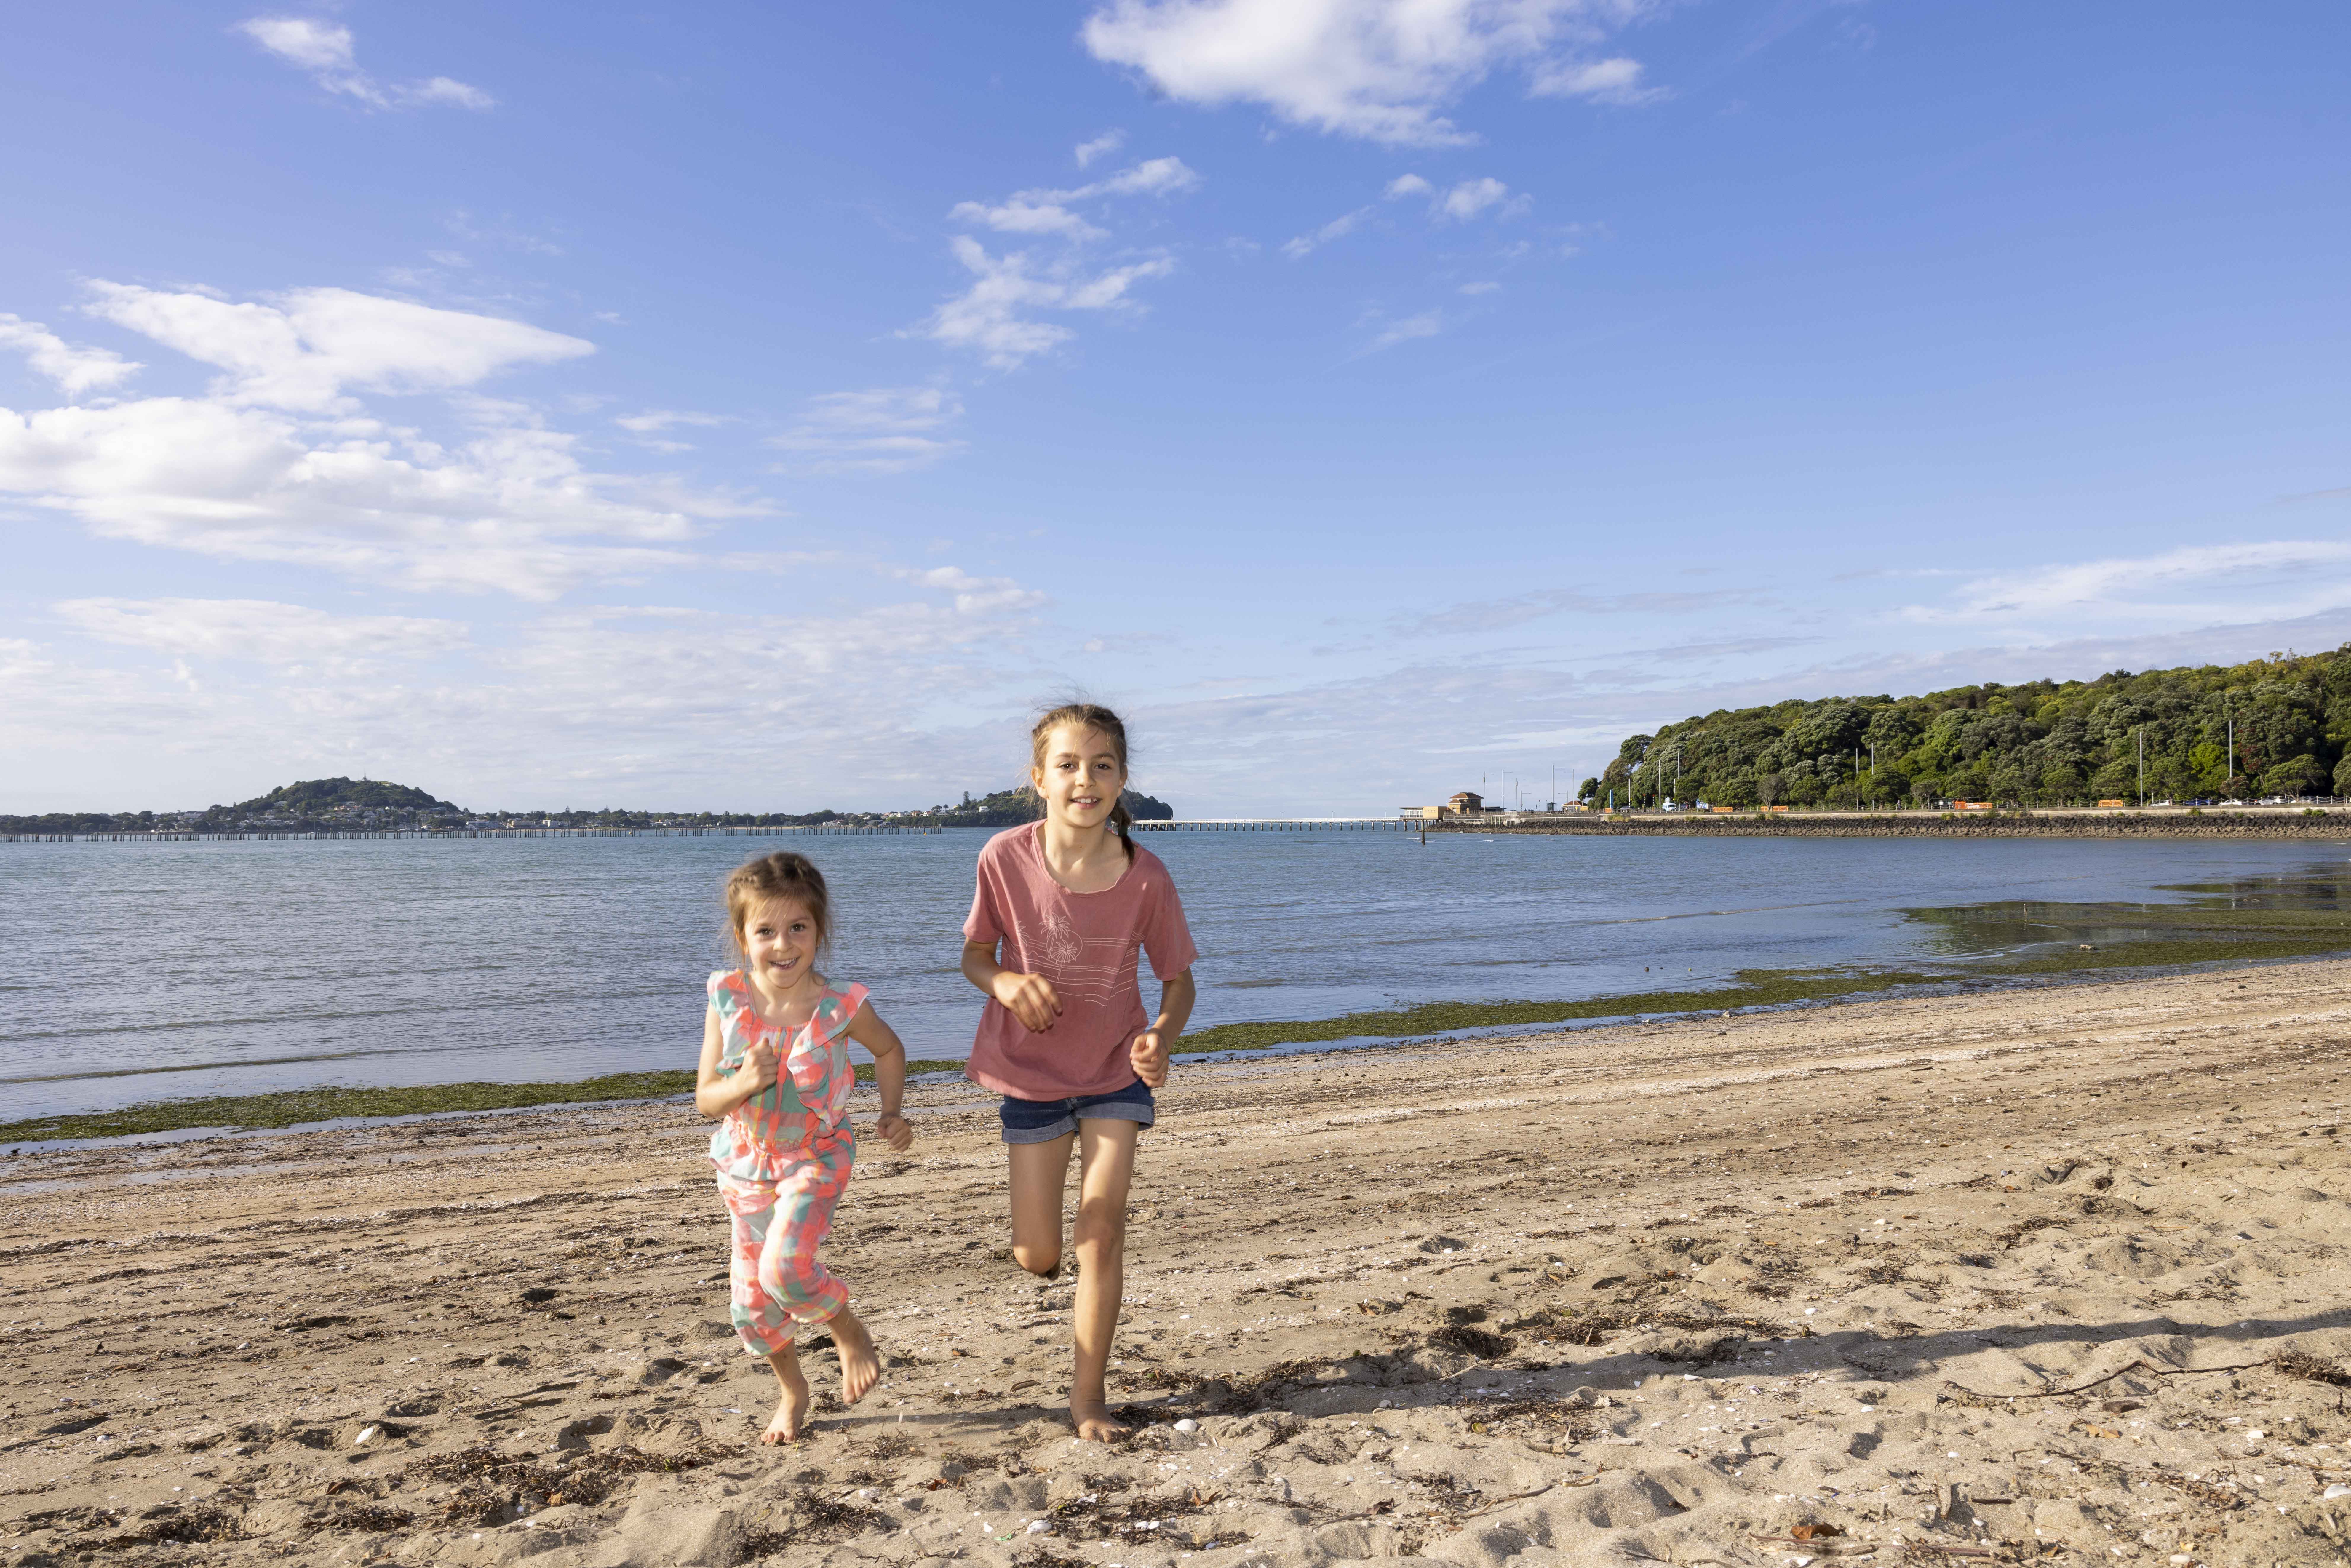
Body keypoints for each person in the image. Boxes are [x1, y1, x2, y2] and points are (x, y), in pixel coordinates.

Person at [960, 703, 1197, 1441]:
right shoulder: (1002, 857)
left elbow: (1178, 981)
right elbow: (976, 955)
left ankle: (1088, 1398)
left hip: (1112, 1073)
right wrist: (1004, 984)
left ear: (1122, 779)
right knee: (1038, 1255)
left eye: (1101, 766)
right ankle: (1039, 1256)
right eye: (1067, 765)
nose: (1084, 780)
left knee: (1102, 1230)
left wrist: (1161, 1034)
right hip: (1029, 1075)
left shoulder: (1147, 877)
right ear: (1038, 779)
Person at [696, 851, 914, 1444]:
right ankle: (793, 1391)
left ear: (819, 931)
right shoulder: (729, 999)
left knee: (786, 1269)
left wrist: (891, 1112)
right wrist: (742, 1082)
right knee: (751, 1306)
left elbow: (889, 1051)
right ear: (743, 937)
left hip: (815, 1155)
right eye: (765, 931)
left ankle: (847, 1331)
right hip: (746, 1163)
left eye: (798, 928)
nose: (783, 944)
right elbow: (706, 1100)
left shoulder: (838, 1007)